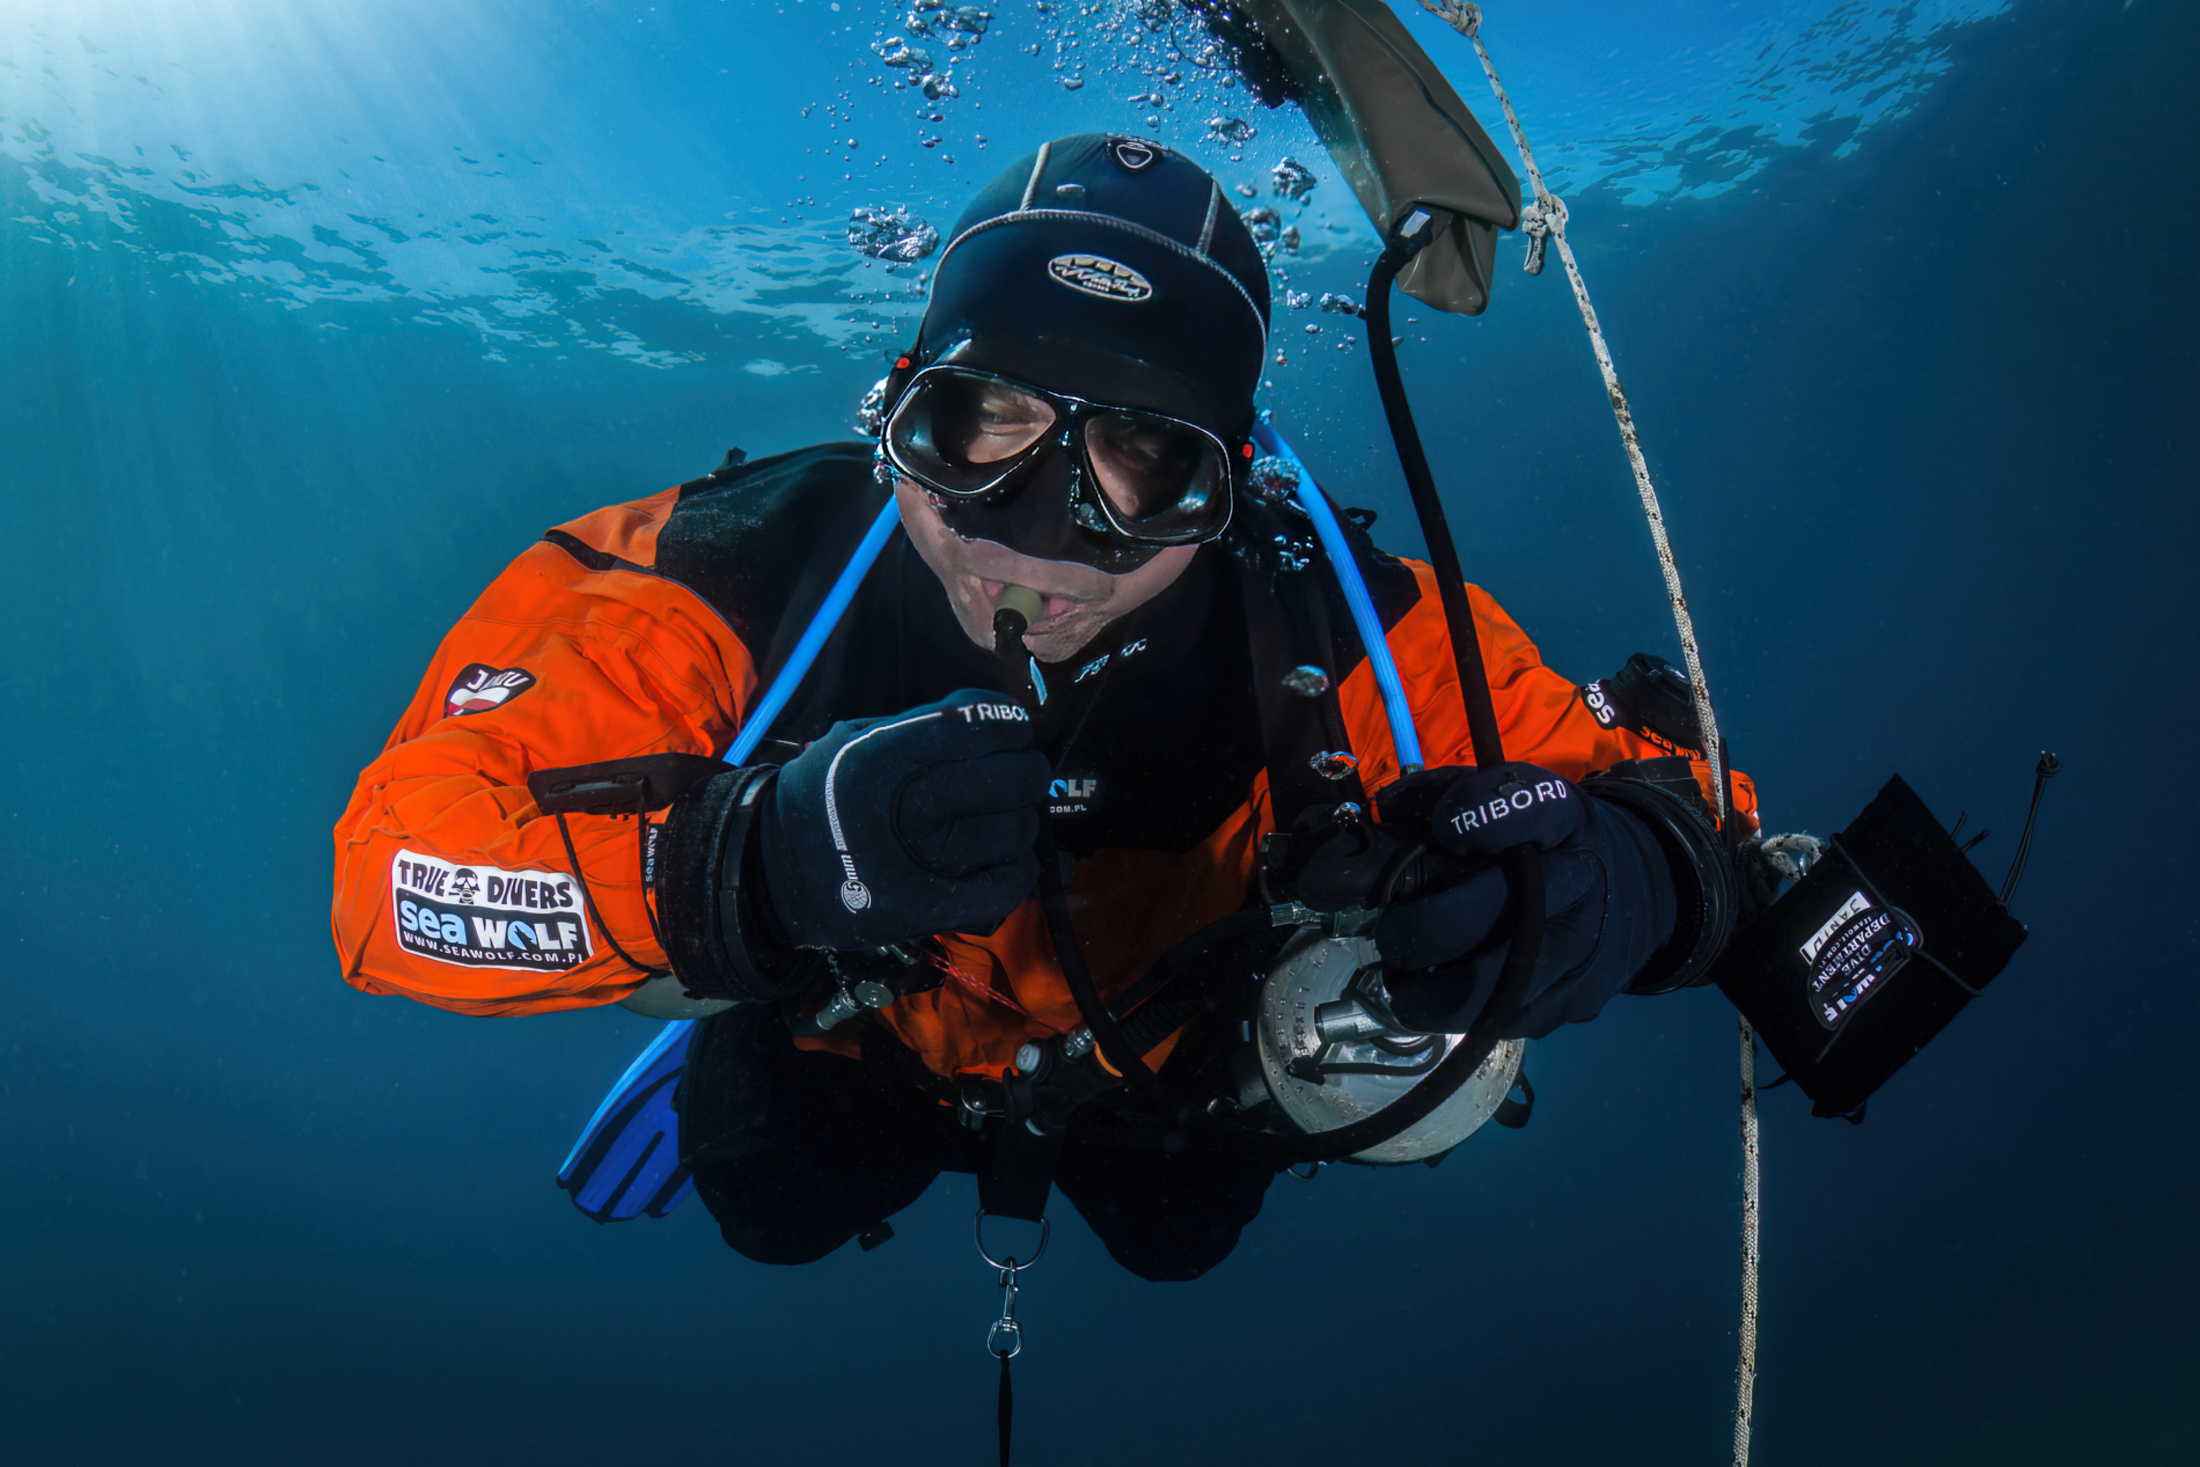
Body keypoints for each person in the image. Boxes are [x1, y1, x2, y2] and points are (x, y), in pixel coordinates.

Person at [331, 134, 1758, 1282]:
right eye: (985, 424)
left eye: (1146, 456)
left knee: (1177, 1240)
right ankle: (704, 1014)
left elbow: (1693, 811)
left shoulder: (1344, 630)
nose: (1041, 533)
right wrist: (736, 875)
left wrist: (1631, 873)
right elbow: (394, 881)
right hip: (850, 1031)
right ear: (898, 414)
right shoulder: (727, 572)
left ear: (1232, 484)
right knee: (771, 1204)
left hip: (1157, 1066)